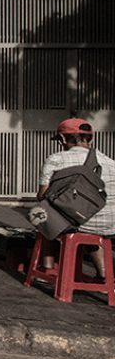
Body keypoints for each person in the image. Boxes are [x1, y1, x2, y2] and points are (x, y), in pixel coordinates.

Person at [36, 118, 115, 278]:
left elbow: (42, 195)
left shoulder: (56, 159)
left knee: (41, 213)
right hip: (110, 225)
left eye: (59, 140)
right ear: (91, 139)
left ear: (63, 139)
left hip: (81, 223)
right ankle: (104, 274)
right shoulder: (110, 162)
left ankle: (47, 268)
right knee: (86, 217)